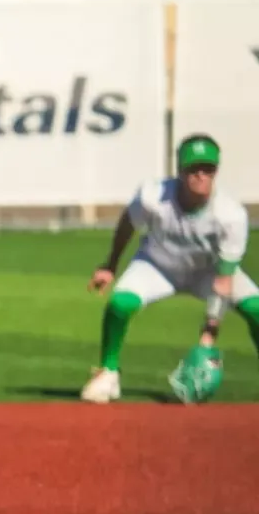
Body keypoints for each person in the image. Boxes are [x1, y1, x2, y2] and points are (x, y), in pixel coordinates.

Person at [83, 133, 258, 404]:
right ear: (180, 170)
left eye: (208, 169)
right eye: (193, 168)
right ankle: (108, 373)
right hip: (157, 265)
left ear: (216, 172)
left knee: (256, 308)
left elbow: (223, 281)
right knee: (119, 304)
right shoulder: (153, 196)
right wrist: (110, 265)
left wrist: (207, 340)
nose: (201, 175)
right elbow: (128, 224)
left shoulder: (231, 215)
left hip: (208, 273)